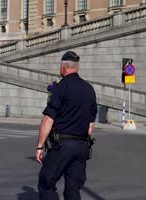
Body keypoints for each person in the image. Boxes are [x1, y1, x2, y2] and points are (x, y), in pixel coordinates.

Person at [36, 51, 98, 200]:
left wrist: (40, 146)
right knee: (73, 188)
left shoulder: (60, 87)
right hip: (82, 145)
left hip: (62, 145)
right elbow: (90, 124)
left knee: (46, 182)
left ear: (63, 67)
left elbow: (48, 120)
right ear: (77, 67)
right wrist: (84, 142)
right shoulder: (89, 89)